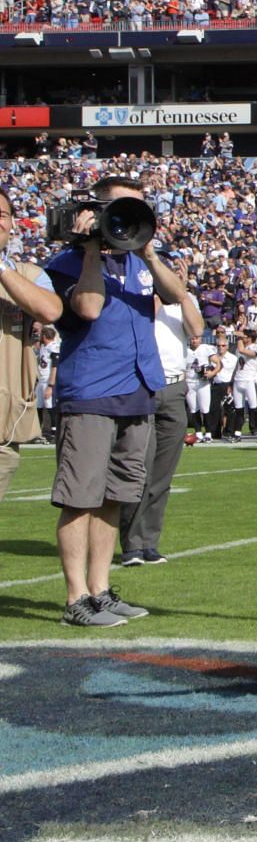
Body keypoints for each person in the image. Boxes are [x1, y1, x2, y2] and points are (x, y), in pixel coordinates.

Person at [44, 174, 192, 627]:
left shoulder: (140, 262)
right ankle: (76, 599)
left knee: (114, 497)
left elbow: (177, 295)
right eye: (122, 210)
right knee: (80, 497)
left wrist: (146, 250)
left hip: (137, 387)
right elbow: (87, 309)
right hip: (91, 390)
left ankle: (101, 589)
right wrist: (90, 248)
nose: (129, 219)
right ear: (97, 209)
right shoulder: (68, 262)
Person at [119, 285, 204, 568]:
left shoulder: (182, 302)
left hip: (175, 388)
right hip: (143, 387)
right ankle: (131, 544)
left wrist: (181, 292)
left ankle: (149, 543)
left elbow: (196, 329)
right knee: (138, 470)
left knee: (162, 476)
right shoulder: (136, 296)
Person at [0, 188, 62, 505]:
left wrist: (2, 268)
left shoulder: (28, 273)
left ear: (12, 223)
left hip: (3, 424)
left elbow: (50, 310)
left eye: (2, 215)